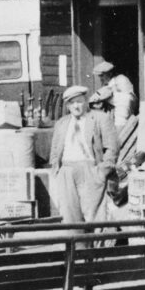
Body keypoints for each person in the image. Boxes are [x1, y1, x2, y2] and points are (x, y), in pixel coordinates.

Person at [48, 85, 117, 222]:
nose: (76, 106)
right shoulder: (62, 123)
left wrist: (102, 171)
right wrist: (57, 170)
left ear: (86, 101)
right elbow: (55, 149)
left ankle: (95, 236)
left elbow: (112, 147)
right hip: (66, 171)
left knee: (94, 215)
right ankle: (76, 237)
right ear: (67, 105)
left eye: (79, 101)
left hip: (90, 170)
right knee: (70, 216)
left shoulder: (100, 118)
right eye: (72, 103)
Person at [93, 59, 138, 131]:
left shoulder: (121, 79)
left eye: (102, 75)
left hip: (123, 115)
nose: (101, 78)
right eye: (99, 76)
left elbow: (128, 99)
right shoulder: (106, 85)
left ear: (109, 74)